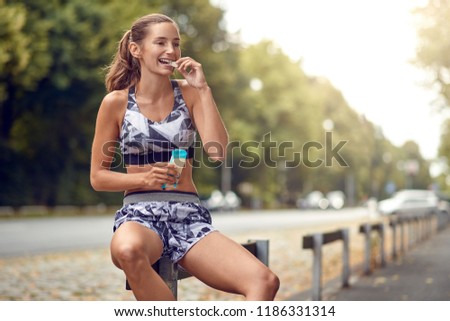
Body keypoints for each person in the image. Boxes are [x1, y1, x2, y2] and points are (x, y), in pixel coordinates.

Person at [90, 13, 279, 301]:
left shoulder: (190, 93)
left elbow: (218, 152)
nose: (171, 51)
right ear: (136, 49)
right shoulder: (115, 103)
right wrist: (144, 178)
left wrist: (203, 90)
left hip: (188, 217)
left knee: (264, 282)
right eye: (161, 42)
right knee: (127, 250)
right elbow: (98, 177)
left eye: (176, 44)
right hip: (139, 216)